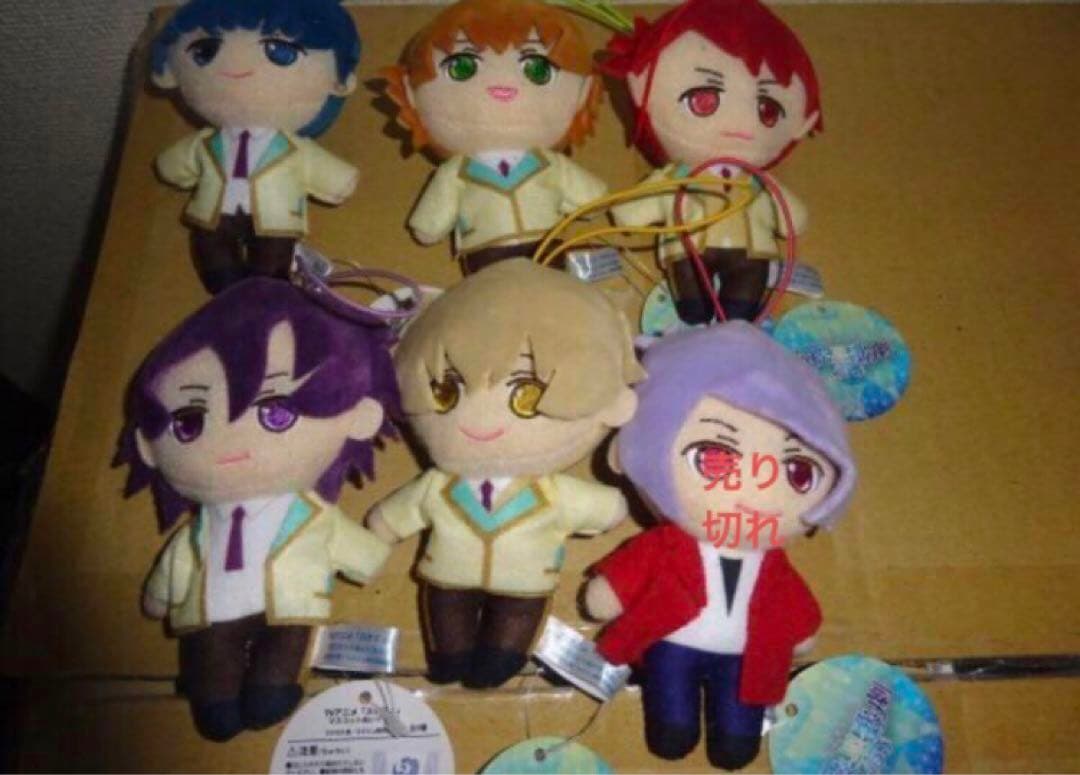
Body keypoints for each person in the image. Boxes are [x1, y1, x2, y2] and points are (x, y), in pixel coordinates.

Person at [117, 279, 399, 741]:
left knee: (275, 681)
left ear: (358, 416)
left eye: (275, 413)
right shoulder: (200, 530)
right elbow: (178, 563)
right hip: (209, 613)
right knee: (213, 687)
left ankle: (271, 690)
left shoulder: (312, 515)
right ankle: (215, 698)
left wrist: (371, 555)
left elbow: (356, 549)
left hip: (289, 611)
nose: (232, 441)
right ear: (148, 447)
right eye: (189, 422)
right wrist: (160, 596)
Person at [583, 322, 856, 769]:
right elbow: (627, 575)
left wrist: (800, 629)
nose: (755, 484)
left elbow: (792, 604)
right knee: (671, 719)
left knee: (738, 727)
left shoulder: (774, 563)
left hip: (749, 654)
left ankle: (735, 735)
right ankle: (675, 725)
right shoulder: (667, 545)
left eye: (798, 472)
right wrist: (609, 592)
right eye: (714, 457)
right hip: (672, 640)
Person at [366, 261, 644, 688]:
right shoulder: (437, 486)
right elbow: (393, 516)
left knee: (511, 633)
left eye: (526, 396)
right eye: (447, 391)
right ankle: (450, 655)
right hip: (447, 577)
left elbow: (606, 509)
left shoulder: (555, 493)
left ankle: (503, 655)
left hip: (525, 585)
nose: (480, 421)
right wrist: (384, 528)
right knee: (448, 628)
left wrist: (612, 508)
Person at [603, 0, 823, 323]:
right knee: (692, 310)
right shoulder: (675, 180)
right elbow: (630, 213)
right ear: (641, 85)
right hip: (688, 253)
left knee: (741, 311)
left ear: (802, 122)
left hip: (752, 254)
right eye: (704, 100)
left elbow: (794, 219)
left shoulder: (762, 185)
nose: (740, 123)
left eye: (768, 110)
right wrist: (629, 211)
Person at [382, 0, 608, 274]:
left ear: (584, 92)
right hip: (485, 253)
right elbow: (428, 228)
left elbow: (595, 202)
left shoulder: (551, 165)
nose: (503, 86)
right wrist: (428, 225)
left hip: (548, 248)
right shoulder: (455, 173)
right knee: (495, 295)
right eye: (461, 67)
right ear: (411, 94)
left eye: (538, 70)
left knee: (554, 293)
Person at [151, 0, 362, 292]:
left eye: (280, 52)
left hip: (275, 223)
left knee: (271, 271)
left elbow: (330, 175)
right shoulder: (204, 143)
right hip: (212, 219)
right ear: (169, 72)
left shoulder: (296, 149)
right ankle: (229, 294)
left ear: (338, 82)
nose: (236, 67)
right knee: (215, 264)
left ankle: (263, 296)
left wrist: (340, 180)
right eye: (206, 51)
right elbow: (172, 166)